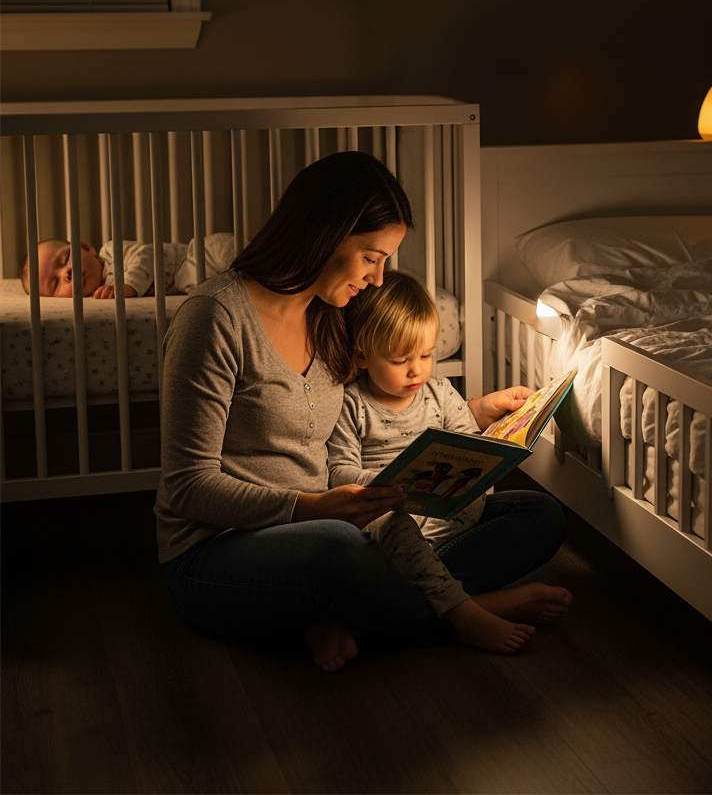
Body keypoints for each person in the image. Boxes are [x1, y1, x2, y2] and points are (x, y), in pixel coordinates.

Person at [155, 150, 569, 672]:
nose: (377, 278)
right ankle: (469, 609)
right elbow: (188, 486)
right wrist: (312, 508)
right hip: (221, 550)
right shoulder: (214, 319)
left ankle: (363, 611)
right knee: (337, 548)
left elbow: (383, 398)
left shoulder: (333, 312)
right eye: (372, 257)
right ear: (325, 233)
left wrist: (476, 412)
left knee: (536, 515)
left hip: (340, 525)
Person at [329, 270, 571, 655]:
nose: (417, 370)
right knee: (392, 522)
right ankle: (474, 611)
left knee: (542, 512)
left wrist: (496, 450)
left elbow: (469, 444)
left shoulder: (441, 393)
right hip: (387, 534)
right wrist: (388, 484)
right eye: (400, 360)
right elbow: (339, 472)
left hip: (448, 531)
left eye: (426, 355)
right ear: (362, 356)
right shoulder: (350, 404)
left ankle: (404, 609)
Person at [20, 233, 235, 299]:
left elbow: (145, 255)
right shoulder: (102, 296)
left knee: (231, 253)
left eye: (65, 258)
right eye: (55, 283)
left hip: (197, 253)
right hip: (187, 279)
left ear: (86, 248)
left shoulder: (110, 251)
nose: (66, 272)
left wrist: (129, 285)